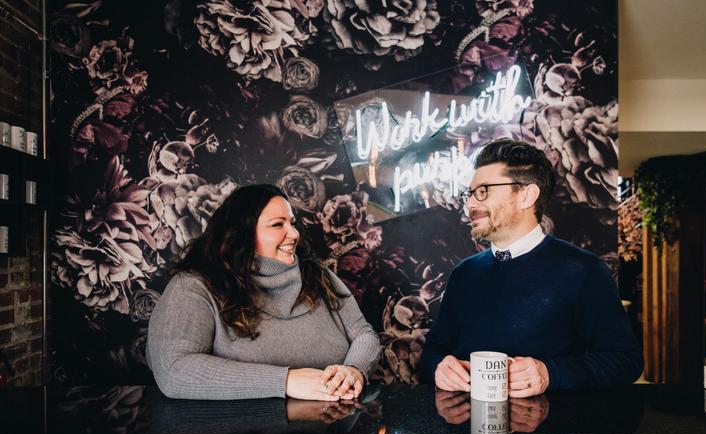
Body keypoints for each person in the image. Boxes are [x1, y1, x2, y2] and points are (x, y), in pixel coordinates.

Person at [420, 138, 643, 397]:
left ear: (527, 195)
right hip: (468, 430)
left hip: (554, 432)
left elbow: (626, 361)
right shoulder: (464, 273)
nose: (470, 204)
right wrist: (439, 366)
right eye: (470, 194)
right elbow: (434, 349)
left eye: (483, 191)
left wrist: (550, 373)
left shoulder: (584, 270)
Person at [147, 184, 381, 401]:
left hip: (333, 430)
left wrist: (354, 370)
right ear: (241, 233)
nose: (294, 233)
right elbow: (174, 370)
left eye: (292, 223)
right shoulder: (193, 288)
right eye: (278, 225)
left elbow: (363, 334)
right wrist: (285, 381)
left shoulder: (317, 274)